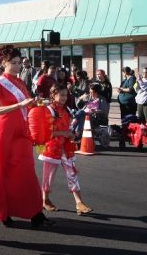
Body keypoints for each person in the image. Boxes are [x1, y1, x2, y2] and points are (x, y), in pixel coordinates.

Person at [0, 45, 53, 228]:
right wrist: (20, 105)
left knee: (26, 171)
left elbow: (26, 103)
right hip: (5, 133)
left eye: (19, 63)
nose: (17, 66)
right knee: (6, 173)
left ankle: (35, 212)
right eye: (13, 63)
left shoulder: (19, 82)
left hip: (21, 131)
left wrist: (36, 103)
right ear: (3, 63)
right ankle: (5, 212)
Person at [40, 84, 93, 215]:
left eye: (66, 95)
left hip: (66, 147)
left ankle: (79, 203)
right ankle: (45, 200)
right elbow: (47, 132)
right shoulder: (48, 110)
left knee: (72, 174)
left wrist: (71, 133)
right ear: (53, 95)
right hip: (52, 148)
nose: (64, 97)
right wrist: (65, 133)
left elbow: (67, 127)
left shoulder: (67, 109)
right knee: (49, 176)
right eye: (61, 95)